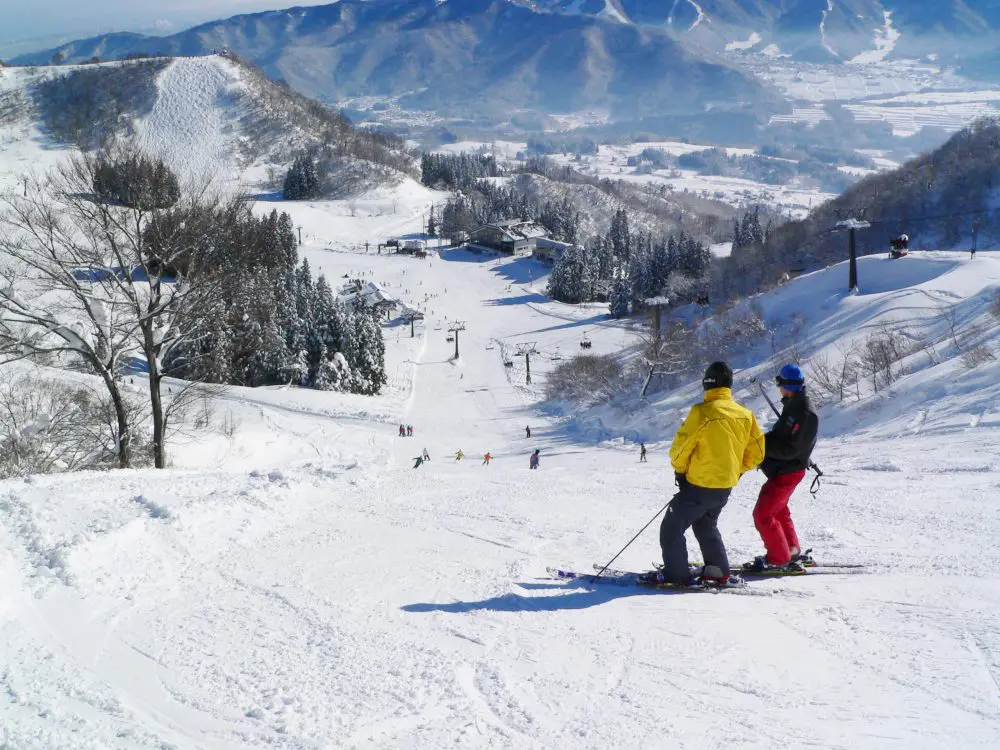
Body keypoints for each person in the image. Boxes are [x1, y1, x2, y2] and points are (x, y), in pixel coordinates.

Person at [650, 361, 764, 586]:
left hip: (700, 484)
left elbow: (680, 449)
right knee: (705, 525)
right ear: (729, 385)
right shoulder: (745, 415)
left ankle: (677, 575)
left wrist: (681, 472)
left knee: (672, 527)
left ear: (706, 384)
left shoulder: (702, 412)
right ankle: (717, 570)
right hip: (724, 486)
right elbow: (758, 452)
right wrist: (736, 470)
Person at [747, 364, 819, 572]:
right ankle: (791, 549)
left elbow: (790, 449)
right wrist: (761, 441)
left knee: (763, 514)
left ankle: (779, 558)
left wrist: (762, 447)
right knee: (778, 511)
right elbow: (782, 436)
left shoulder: (804, 413)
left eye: (779, 384)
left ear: (785, 385)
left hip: (789, 471)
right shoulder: (794, 406)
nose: (778, 389)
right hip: (786, 469)